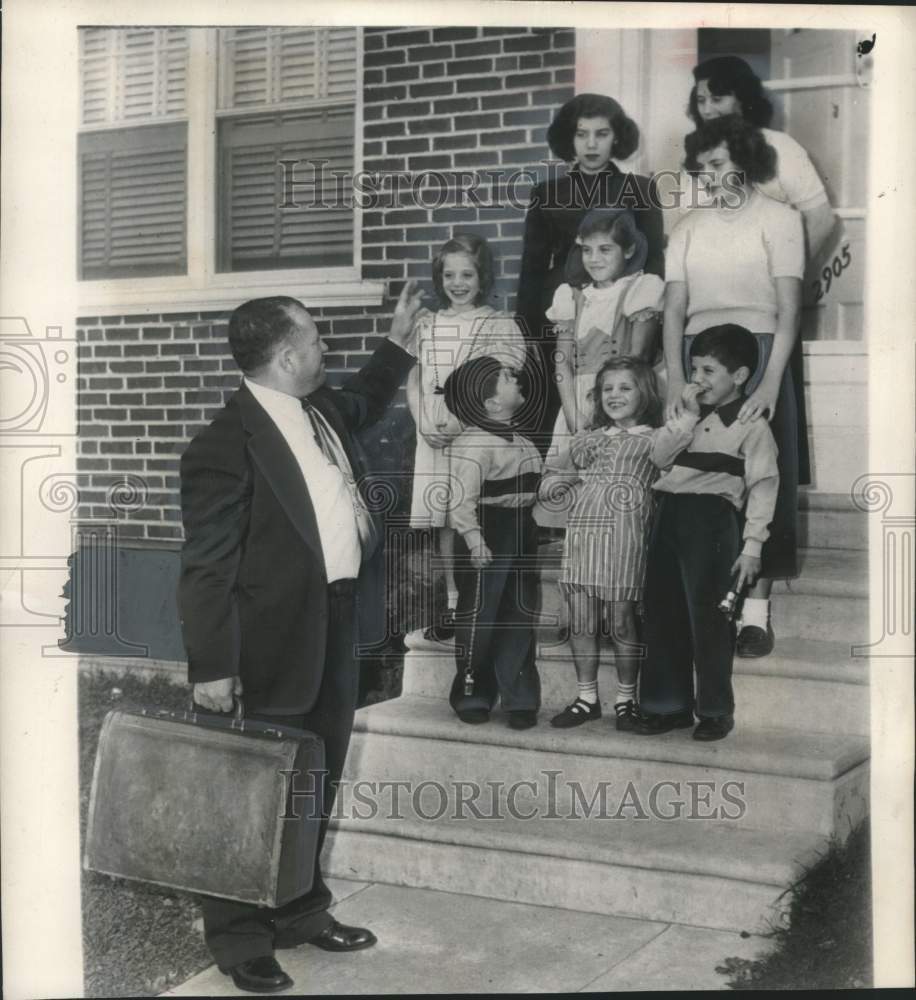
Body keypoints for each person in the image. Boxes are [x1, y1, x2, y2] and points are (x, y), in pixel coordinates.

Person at [178, 282, 423, 994]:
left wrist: (399, 342)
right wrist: (213, 665)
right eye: (316, 340)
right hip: (268, 642)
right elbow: (204, 568)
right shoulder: (224, 446)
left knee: (315, 779)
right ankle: (240, 939)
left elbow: (366, 397)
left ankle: (300, 910)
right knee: (250, 793)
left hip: (336, 624)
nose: (325, 349)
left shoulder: (314, 410)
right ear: (287, 356)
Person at [663, 115, 804, 658]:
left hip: (762, 355)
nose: (712, 179)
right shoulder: (688, 228)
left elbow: (789, 312)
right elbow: (675, 310)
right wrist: (678, 377)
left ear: (743, 160)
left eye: (720, 165)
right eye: (702, 171)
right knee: (700, 476)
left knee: (762, 477)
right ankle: (705, 600)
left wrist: (769, 383)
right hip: (701, 361)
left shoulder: (780, 219)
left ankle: (755, 613)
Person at [634, 325, 779, 742]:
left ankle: (714, 710)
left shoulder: (752, 425)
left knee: (710, 619)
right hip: (669, 516)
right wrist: (686, 420)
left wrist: (752, 546)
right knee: (662, 613)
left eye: (709, 371)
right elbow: (658, 458)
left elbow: (765, 486)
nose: (697, 379)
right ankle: (667, 706)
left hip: (713, 522)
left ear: (739, 375)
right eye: (694, 369)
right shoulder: (685, 416)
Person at [515, 93, 665, 453]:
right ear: (570, 138)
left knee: (622, 419)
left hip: (622, 321)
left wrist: (644, 337)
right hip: (564, 322)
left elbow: (655, 263)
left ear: (618, 138)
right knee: (562, 429)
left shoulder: (640, 189)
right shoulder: (547, 193)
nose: (592, 144)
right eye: (582, 134)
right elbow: (531, 272)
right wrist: (529, 338)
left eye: (602, 133)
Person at [406, 235, 527, 642]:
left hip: (471, 428)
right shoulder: (428, 324)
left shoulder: (495, 324)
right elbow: (415, 380)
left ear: (482, 277)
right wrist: (422, 422)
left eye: (467, 274)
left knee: (465, 510)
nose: (458, 283)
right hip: (432, 426)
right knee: (440, 518)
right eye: (449, 274)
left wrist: (460, 421)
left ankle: (476, 603)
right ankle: (452, 605)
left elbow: (496, 383)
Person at [539, 358, 662, 732]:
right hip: (583, 535)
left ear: (645, 392)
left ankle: (626, 701)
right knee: (582, 621)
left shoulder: (656, 439)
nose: (615, 395)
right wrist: (562, 482)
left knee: (623, 621)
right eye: (607, 389)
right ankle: (586, 698)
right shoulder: (587, 438)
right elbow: (551, 480)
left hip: (627, 536)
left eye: (625, 387)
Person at [441, 355, 543, 730]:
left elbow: (534, 489)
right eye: (505, 377)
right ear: (491, 403)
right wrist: (474, 539)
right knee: (480, 617)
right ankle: (473, 692)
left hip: (520, 533)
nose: (515, 378)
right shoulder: (473, 445)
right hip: (488, 535)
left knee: (519, 613)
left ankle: (519, 697)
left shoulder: (524, 441)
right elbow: (460, 500)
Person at [687, 55, 838, 263]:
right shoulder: (698, 152)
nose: (707, 110)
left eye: (717, 99)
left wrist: (785, 275)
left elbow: (822, 221)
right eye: (701, 100)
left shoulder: (781, 147)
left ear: (743, 98)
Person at [545, 208, 663, 464]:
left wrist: (610, 415)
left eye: (605, 249)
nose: (594, 258)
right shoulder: (570, 295)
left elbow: (637, 358)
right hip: (576, 401)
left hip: (620, 397)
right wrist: (573, 416)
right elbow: (562, 361)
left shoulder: (640, 289)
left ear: (628, 250)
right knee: (567, 477)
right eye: (587, 250)